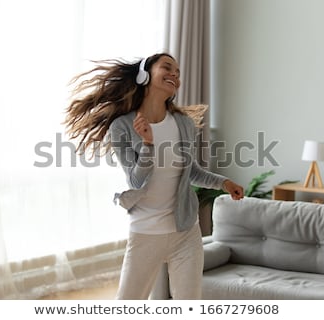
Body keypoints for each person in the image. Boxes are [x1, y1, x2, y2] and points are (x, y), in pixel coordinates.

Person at [64, 53, 244, 299]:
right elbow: (136, 181)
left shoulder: (183, 124)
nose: (175, 75)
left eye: (178, 73)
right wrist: (148, 145)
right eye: (167, 68)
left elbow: (189, 171)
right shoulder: (123, 126)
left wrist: (223, 182)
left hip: (186, 231)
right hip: (146, 232)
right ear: (144, 74)